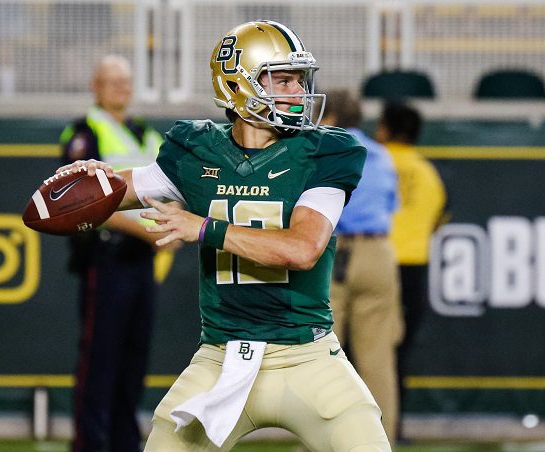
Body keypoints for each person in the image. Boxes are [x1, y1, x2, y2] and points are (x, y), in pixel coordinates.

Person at [57, 20, 391, 452]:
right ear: (239, 85)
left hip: (306, 355)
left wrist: (203, 227)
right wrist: (90, 185)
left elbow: (302, 248)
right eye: (283, 79)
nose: (298, 92)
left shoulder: (324, 152)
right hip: (221, 356)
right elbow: (129, 187)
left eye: (300, 79)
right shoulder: (196, 148)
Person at [59, 54, 165, 452]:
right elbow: (80, 204)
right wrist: (144, 230)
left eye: (126, 81)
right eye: (113, 81)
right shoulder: (84, 133)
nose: (122, 88)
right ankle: (89, 445)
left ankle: (125, 445)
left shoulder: (145, 133)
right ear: (96, 86)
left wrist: (170, 226)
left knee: (133, 363)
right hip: (107, 260)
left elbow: (170, 190)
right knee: (99, 362)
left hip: (143, 263)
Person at [320, 89, 403, 443]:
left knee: (319, 356)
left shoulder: (321, 149)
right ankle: (379, 443)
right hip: (378, 253)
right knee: (378, 361)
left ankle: (318, 444)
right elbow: (391, 205)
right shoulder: (382, 155)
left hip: (331, 251)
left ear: (332, 117)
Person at [374, 101, 446, 442]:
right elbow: (438, 218)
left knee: (364, 351)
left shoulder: (374, 162)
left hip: (378, 261)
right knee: (397, 352)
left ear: (386, 129)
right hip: (414, 268)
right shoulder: (428, 173)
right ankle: (394, 426)